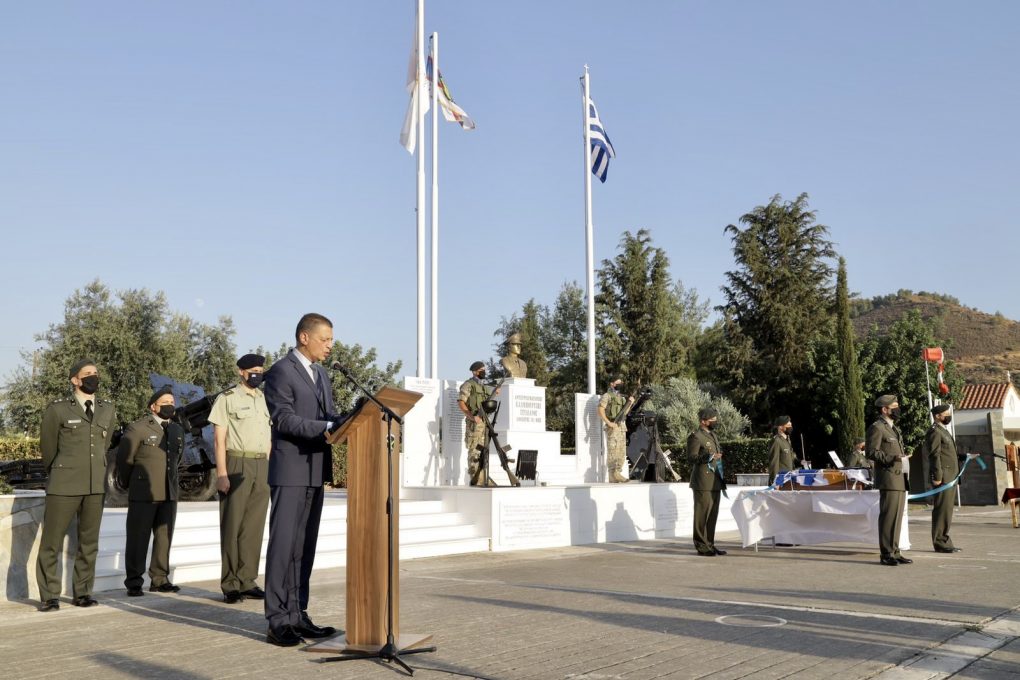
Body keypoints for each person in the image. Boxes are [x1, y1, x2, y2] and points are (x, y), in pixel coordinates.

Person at [262, 313, 345, 647]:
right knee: (283, 546)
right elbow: (284, 419)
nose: (329, 346)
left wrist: (350, 419)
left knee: (304, 548)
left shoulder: (321, 373)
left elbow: (328, 415)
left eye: (331, 340)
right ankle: (277, 620)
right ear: (304, 337)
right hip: (290, 470)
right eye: (325, 339)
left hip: (314, 471)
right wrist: (326, 428)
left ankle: (298, 615)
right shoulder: (282, 371)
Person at [35, 359, 117, 611]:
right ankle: (50, 595)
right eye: (87, 374)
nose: (94, 377)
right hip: (64, 483)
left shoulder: (108, 409)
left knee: (89, 542)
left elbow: (104, 445)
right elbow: (48, 449)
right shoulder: (58, 409)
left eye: (96, 373)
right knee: (52, 541)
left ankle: (82, 592)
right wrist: (60, 471)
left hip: (95, 485)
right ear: (75, 380)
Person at [208, 353, 272, 604]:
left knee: (254, 527)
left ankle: (247, 580)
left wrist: (268, 463)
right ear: (241, 372)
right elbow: (218, 439)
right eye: (253, 370)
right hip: (237, 462)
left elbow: (268, 435)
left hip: (261, 464)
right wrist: (222, 474)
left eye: (260, 369)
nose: (257, 374)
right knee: (232, 525)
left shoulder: (264, 399)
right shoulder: (227, 399)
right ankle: (230, 583)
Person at [116, 385, 185, 595]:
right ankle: (134, 581)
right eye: (165, 403)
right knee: (138, 537)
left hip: (168, 491)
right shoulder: (138, 428)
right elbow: (125, 459)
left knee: (164, 537)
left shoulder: (176, 429)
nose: (169, 407)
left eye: (172, 403)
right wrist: (130, 483)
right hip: (144, 491)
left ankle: (160, 578)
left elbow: (177, 459)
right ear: (153, 407)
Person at [866, 394, 911, 566]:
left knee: (897, 517)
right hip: (888, 478)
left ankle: (895, 551)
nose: (898, 409)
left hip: (899, 477)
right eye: (894, 406)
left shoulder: (893, 428)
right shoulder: (877, 428)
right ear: (885, 409)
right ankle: (886, 554)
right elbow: (872, 452)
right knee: (888, 517)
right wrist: (893, 458)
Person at [687, 407, 727, 556]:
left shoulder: (713, 435)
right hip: (703, 482)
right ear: (703, 421)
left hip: (715, 481)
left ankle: (710, 544)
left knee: (712, 515)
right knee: (701, 515)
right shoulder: (696, 436)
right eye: (712, 420)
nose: (715, 422)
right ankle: (701, 546)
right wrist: (709, 457)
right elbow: (691, 458)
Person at [926, 404, 961, 553]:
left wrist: (965, 457)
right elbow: (934, 456)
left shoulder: (943, 431)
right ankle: (940, 543)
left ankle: (945, 541)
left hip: (951, 476)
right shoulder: (935, 432)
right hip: (943, 478)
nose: (948, 416)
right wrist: (937, 476)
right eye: (945, 414)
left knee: (947, 511)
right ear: (937, 416)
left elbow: (948, 454)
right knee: (941, 510)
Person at [458, 361, 498, 486]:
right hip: (474, 424)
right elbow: (461, 402)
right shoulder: (468, 385)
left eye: (484, 369)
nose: (484, 371)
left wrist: (495, 394)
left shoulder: (484, 387)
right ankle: (476, 478)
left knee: (483, 451)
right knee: (474, 450)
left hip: (485, 423)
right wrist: (472, 417)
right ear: (475, 371)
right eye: (481, 369)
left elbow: (486, 404)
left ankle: (484, 477)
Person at [598, 378, 634, 483]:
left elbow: (624, 413)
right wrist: (609, 423)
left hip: (621, 426)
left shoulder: (621, 397)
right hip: (612, 426)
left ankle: (616, 474)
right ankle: (613, 474)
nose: (620, 384)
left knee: (621, 451)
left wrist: (630, 403)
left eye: (621, 382)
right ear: (612, 383)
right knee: (613, 451)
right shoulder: (607, 396)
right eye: (618, 382)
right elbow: (600, 410)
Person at [767, 416, 796, 485]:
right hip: (780, 481)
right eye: (788, 425)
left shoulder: (787, 440)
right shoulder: (776, 441)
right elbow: (773, 463)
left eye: (791, 425)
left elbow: (790, 457)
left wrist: (800, 461)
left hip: (788, 479)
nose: (790, 428)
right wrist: (775, 481)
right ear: (780, 427)